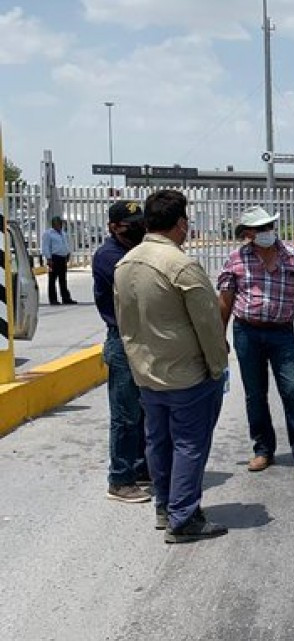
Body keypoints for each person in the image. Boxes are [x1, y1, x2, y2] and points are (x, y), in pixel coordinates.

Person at [114, 190, 229, 543]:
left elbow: (124, 322)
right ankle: (183, 518)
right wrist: (217, 368)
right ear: (181, 223)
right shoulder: (181, 265)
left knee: (158, 443)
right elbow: (209, 326)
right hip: (186, 375)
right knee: (189, 445)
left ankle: (165, 508)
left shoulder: (125, 263)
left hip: (147, 373)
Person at [217, 206, 294, 475]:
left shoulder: (293, 256)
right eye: (260, 229)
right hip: (247, 332)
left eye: (268, 227)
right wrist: (220, 335)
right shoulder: (236, 259)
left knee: (292, 390)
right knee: (255, 394)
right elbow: (226, 299)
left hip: (281, 333)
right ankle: (263, 450)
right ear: (249, 233)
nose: (266, 233)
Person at [92, 200, 150, 503]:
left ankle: (141, 469)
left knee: (143, 411)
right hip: (123, 339)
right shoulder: (109, 256)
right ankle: (120, 479)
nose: (139, 228)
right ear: (114, 227)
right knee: (125, 415)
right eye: (131, 224)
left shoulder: (134, 251)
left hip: (142, 338)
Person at [41, 215, 76, 305]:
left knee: (63, 279)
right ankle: (53, 299)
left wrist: (67, 253)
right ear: (53, 224)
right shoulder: (48, 234)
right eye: (57, 224)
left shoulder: (63, 233)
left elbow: (65, 244)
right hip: (54, 258)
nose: (59, 225)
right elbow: (46, 247)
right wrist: (48, 258)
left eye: (60, 223)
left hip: (62, 258)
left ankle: (66, 298)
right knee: (52, 280)